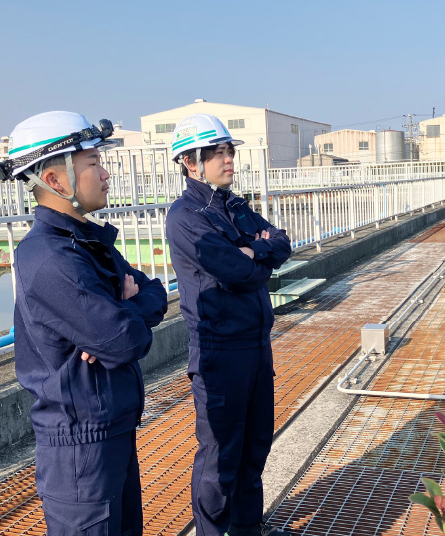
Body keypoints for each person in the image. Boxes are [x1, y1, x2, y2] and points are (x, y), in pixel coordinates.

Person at [0, 111, 168, 535]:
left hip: (110, 428)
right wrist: (122, 316)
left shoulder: (85, 241)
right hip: (80, 448)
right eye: (92, 163)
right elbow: (125, 342)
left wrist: (123, 311)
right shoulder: (50, 257)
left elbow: (156, 293)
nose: (105, 173)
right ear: (55, 180)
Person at [166, 114, 292, 536]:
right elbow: (237, 272)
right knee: (221, 456)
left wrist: (254, 252)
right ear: (190, 162)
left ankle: (247, 529)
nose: (229, 159)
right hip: (220, 350)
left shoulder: (234, 205)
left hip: (256, 343)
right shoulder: (186, 216)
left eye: (229, 150)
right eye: (217, 152)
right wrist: (255, 258)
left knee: (254, 448)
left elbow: (282, 242)